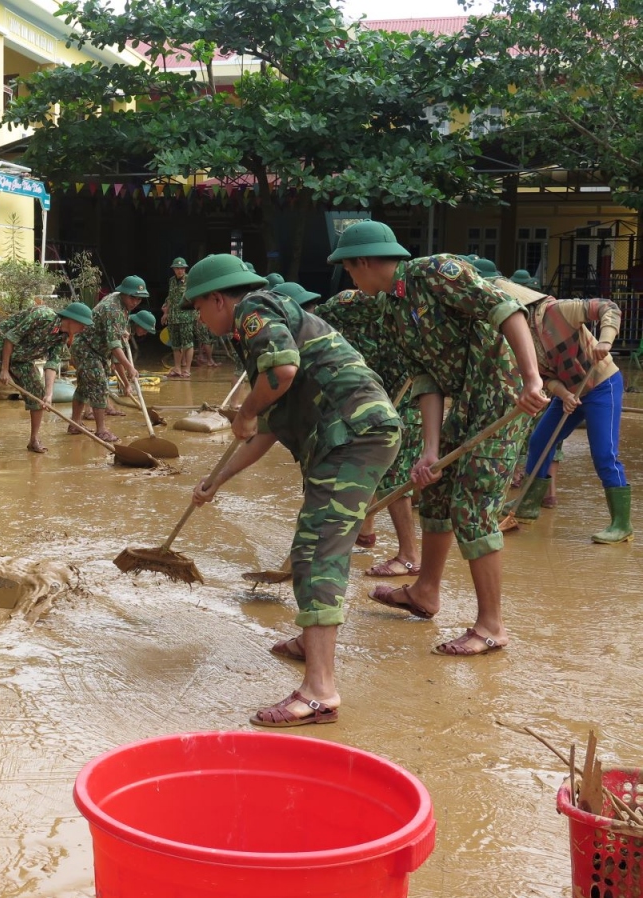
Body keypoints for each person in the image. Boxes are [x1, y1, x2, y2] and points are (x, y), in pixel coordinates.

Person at [187, 255, 401, 727]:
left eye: (199, 308)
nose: (200, 320)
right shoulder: (265, 327)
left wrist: (243, 410)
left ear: (219, 298)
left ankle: (319, 692)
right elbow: (268, 429)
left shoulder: (254, 309)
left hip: (352, 434)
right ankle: (311, 645)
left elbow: (280, 374)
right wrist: (216, 481)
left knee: (317, 553)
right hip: (353, 435)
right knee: (314, 545)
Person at [329, 221, 548, 656]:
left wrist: (531, 379)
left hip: (502, 395)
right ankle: (425, 590)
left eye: (349, 270)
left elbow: (508, 311)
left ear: (365, 262)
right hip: (464, 402)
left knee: (473, 500)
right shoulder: (390, 310)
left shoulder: (437, 271)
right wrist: (430, 450)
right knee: (433, 487)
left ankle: (491, 626)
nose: (349, 279)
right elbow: (426, 379)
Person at [499, 281, 630, 542]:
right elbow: (545, 378)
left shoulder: (558, 311)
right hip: (570, 391)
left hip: (602, 385)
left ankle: (621, 524)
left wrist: (605, 341)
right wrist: (565, 395)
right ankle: (527, 506)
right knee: (540, 441)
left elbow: (608, 308)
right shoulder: (520, 340)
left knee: (604, 454)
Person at [315, 288, 423, 577]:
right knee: (368, 459)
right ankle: (366, 529)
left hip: (405, 401)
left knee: (395, 479)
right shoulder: (347, 303)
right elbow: (320, 325)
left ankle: (409, 556)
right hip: (367, 398)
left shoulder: (414, 309)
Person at [0, 301, 93, 455]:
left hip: (22, 357)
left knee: (37, 392)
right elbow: (10, 338)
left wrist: (48, 394)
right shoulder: (42, 316)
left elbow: (52, 364)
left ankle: (34, 439)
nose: (84, 328)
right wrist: (5, 370)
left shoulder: (62, 338)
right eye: (83, 324)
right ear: (72, 320)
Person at [69, 276, 146, 443]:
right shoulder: (113, 309)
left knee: (83, 387)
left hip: (95, 349)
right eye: (133, 297)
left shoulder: (120, 302)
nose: (135, 302)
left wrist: (122, 331)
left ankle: (74, 424)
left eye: (139, 299)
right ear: (124, 293)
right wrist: (129, 367)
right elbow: (114, 346)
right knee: (99, 386)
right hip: (87, 348)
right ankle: (101, 430)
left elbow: (113, 329)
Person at [162, 258, 196, 378]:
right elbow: (170, 298)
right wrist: (166, 313)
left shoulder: (189, 280)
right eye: (177, 268)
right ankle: (177, 368)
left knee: (187, 343)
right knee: (175, 344)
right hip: (173, 317)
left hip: (186, 316)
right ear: (174, 269)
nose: (180, 270)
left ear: (185, 269)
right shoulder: (171, 281)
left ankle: (186, 369)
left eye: (182, 268)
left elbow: (195, 296)